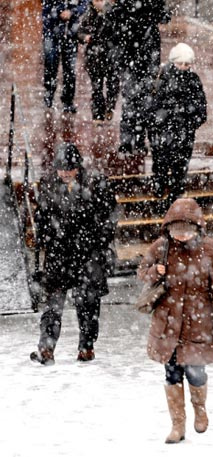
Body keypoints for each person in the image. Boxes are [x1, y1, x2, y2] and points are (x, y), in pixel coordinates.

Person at [137, 198, 213, 444]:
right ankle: (177, 425)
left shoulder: (212, 251)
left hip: (198, 322)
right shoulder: (161, 247)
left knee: (196, 372)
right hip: (168, 322)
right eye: (175, 231)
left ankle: (199, 407)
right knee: (171, 374)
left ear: (197, 228)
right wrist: (153, 272)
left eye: (186, 231)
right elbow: (141, 271)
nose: (180, 236)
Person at [30, 142, 117, 365]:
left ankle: (86, 346)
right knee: (53, 305)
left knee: (87, 303)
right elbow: (43, 218)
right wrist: (42, 229)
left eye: (69, 168)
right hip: (59, 255)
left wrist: (97, 240)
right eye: (61, 168)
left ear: (78, 167)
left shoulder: (97, 184)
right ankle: (46, 348)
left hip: (87, 254)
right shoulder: (48, 186)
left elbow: (109, 217)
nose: (65, 173)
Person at [107, 0, 171, 154]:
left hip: (142, 60)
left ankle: (134, 141)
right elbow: (112, 17)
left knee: (139, 102)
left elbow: (165, 17)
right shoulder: (130, 3)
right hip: (135, 60)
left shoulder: (145, 3)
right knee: (136, 102)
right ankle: (132, 142)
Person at [149, 42, 207, 202]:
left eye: (187, 64)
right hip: (164, 129)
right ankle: (160, 187)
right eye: (180, 63)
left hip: (183, 130)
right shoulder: (162, 77)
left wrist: (190, 122)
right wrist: (159, 121)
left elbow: (201, 107)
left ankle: (175, 191)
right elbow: (152, 104)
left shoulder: (193, 80)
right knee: (161, 161)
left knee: (180, 164)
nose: (183, 67)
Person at [39, 0, 85, 112]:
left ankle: (68, 100)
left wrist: (72, 12)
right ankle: (49, 96)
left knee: (70, 69)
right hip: (52, 32)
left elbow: (83, 4)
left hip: (70, 34)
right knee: (51, 64)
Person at [77, 0, 119, 124]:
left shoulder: (112, 14)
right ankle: (97, 115)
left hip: (110, 54)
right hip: (94, 56)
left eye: (102, 0)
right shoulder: (88, 16)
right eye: (96, 0)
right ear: (92, 2)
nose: (100, 3)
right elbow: (79, 32)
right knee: (97, 87)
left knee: (113, 85)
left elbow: (118, 32)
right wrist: (85, 38)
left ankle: (110, 107)